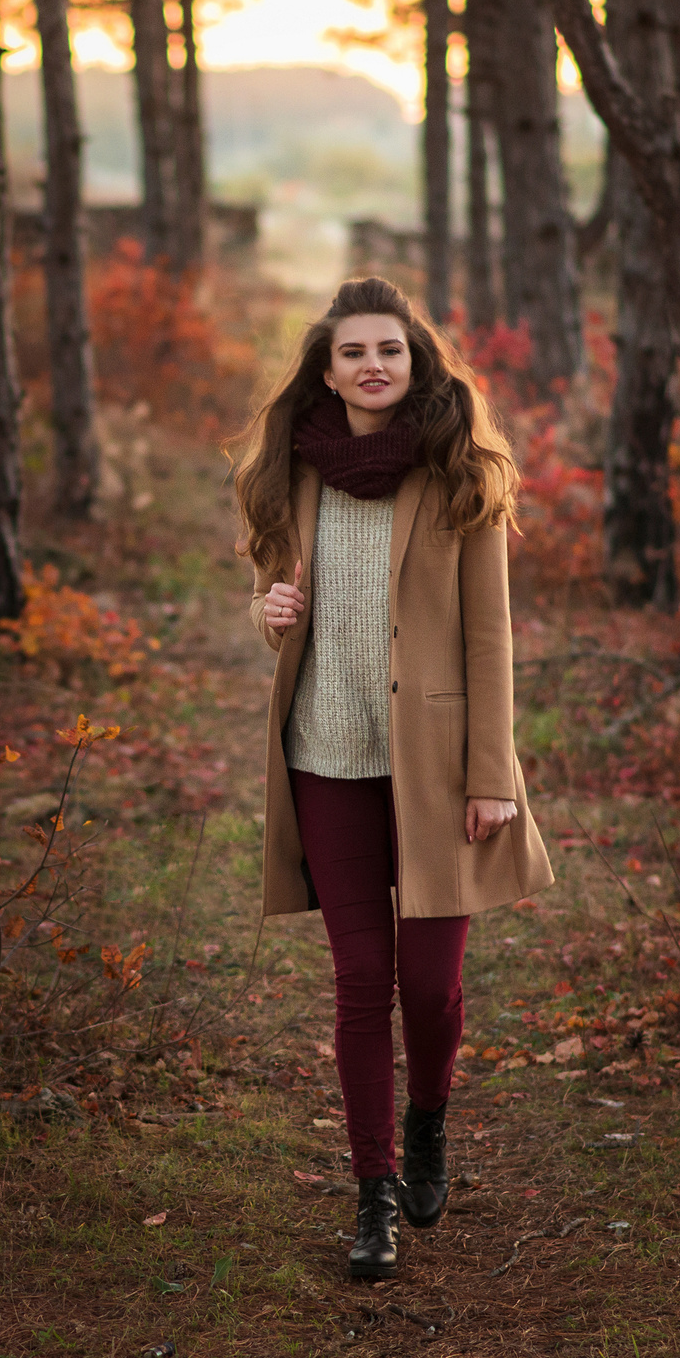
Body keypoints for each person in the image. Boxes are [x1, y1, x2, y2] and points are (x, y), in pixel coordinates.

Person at [233, 275, 554, 1281]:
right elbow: (269, 588)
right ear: (324, 372)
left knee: (431, 984)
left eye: (389, 350)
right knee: (360, 979)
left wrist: (490, 772)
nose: (372, 366)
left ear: (415, 361)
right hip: (324, 752)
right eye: (351, 353)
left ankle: (427, 1120)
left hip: (435, 764)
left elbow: (491, 635)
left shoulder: (459, 472)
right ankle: (370, 1190)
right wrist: (270, 614)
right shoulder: (293, 470)